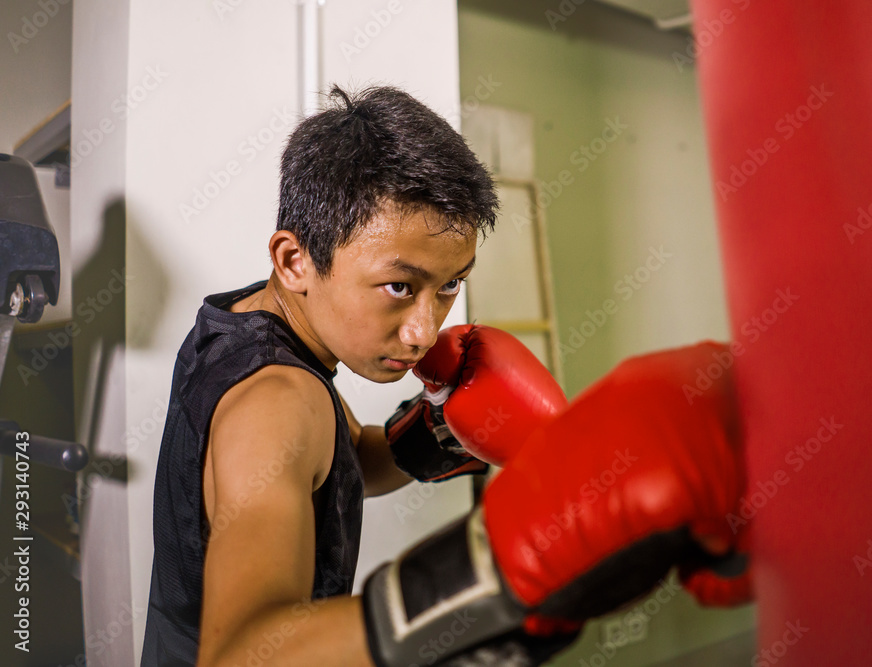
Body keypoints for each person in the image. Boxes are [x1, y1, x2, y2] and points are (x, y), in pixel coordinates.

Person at [139, 84, 569, 666]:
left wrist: (439, 424)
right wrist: (485, 588)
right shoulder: (279, 402)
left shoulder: (248, 326)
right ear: (295, 260)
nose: (424, 330)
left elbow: (349, 462)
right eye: (400, 286)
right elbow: (243, 653)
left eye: (449, 285)